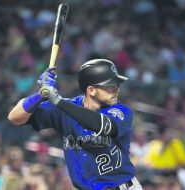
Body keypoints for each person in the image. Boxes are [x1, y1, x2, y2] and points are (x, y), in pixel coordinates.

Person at [8, 59, 143, 190]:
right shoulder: (64, 108)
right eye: (110, 85)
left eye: (117, 85)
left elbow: (99, 124)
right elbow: (14, 117)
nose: (117, 89)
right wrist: (39, 95)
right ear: (91, 90)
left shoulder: (121, 111)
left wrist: (57, 100)